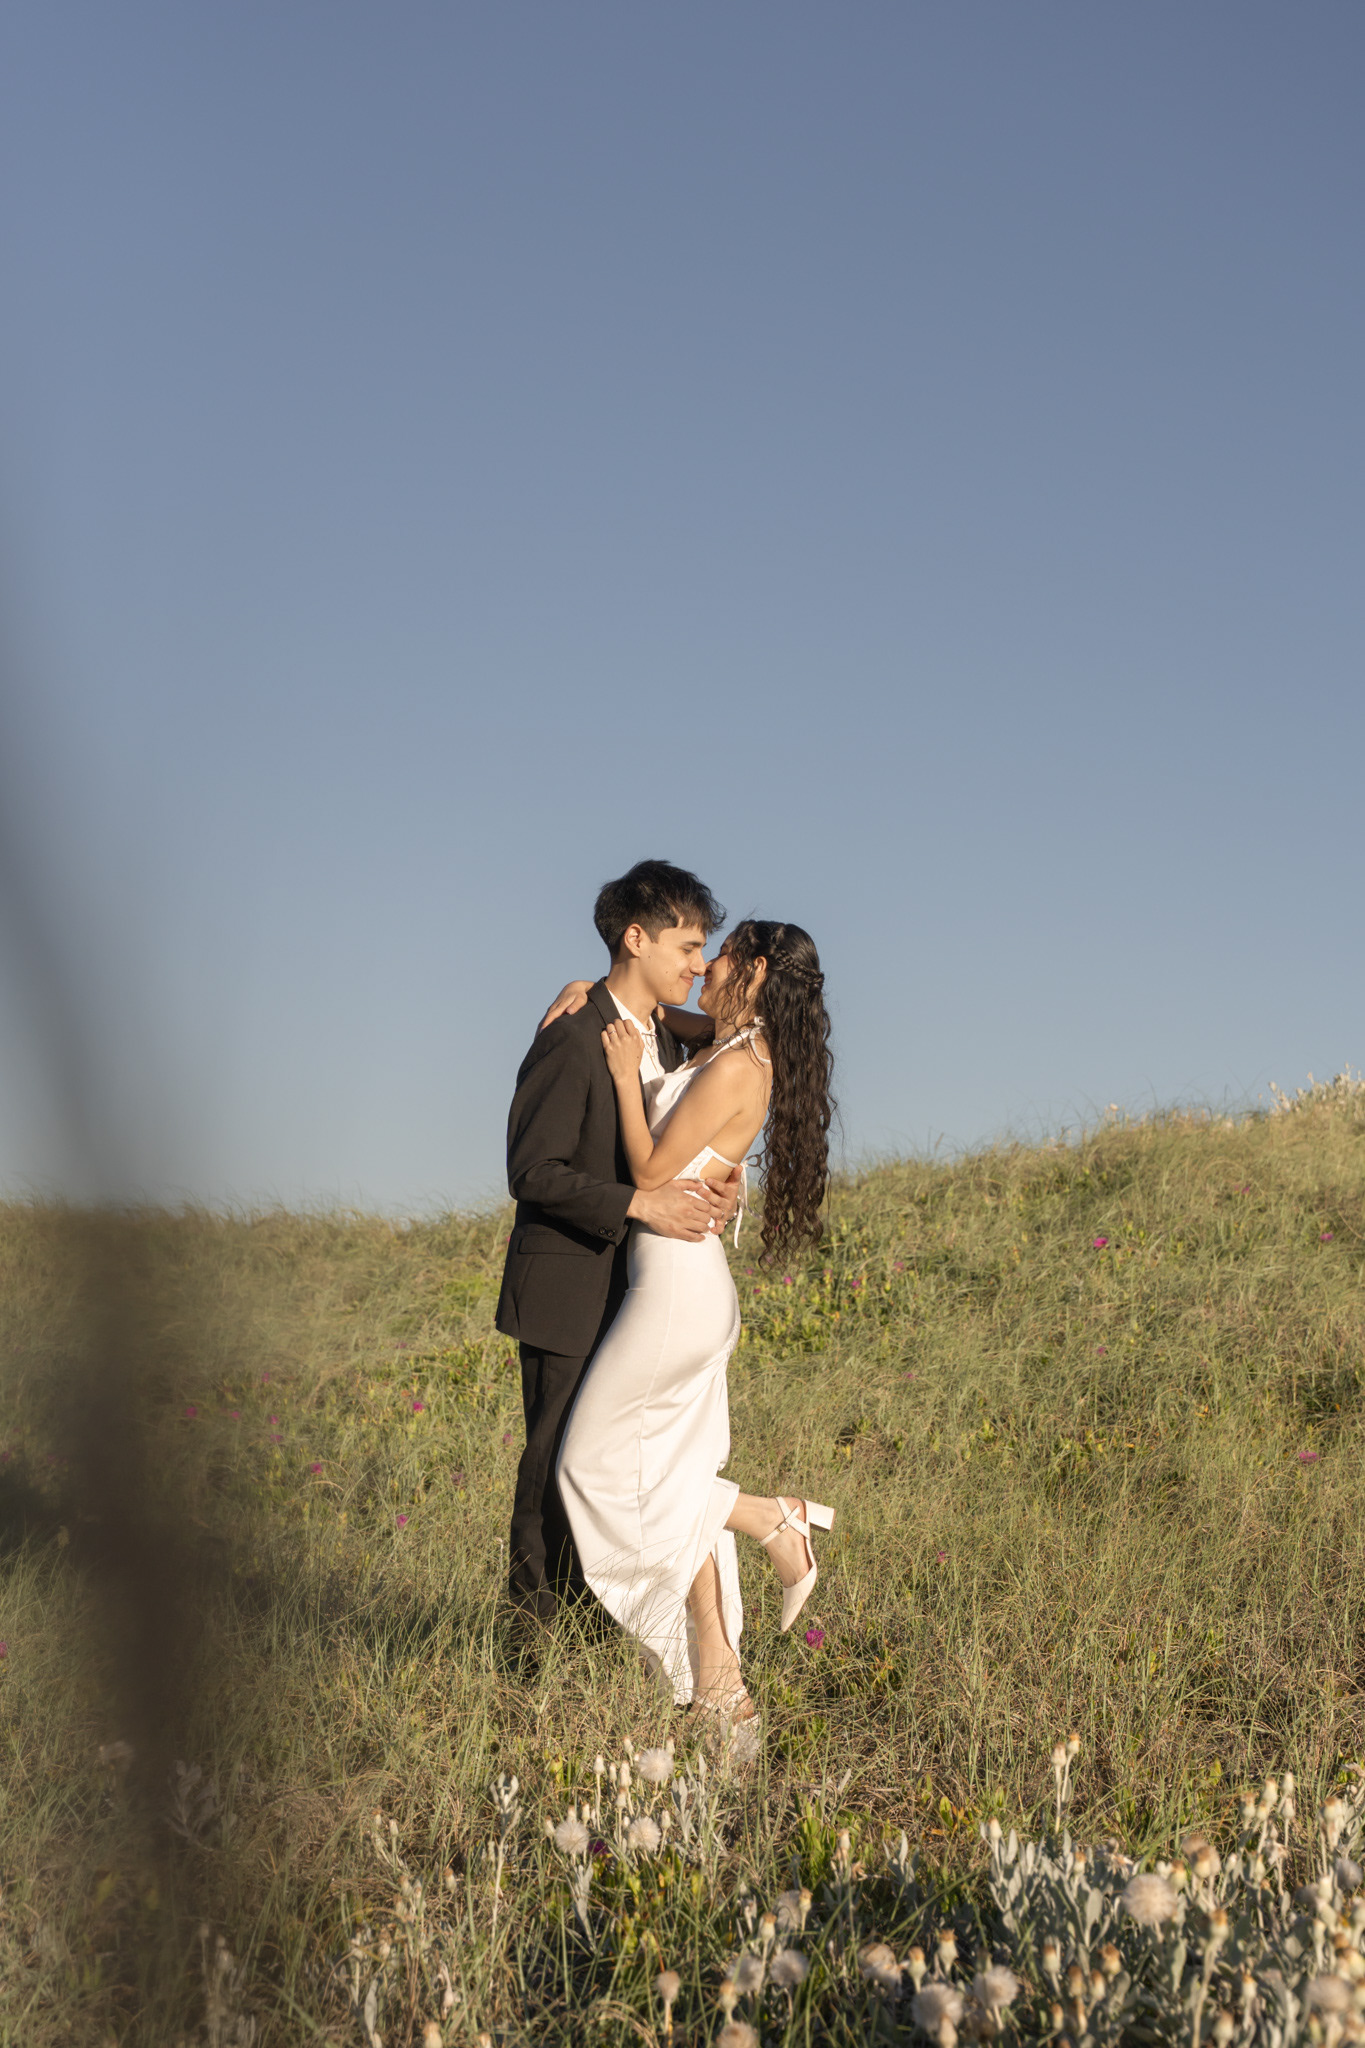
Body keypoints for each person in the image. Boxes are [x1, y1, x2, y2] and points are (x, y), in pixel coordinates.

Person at [548, 918, 836, 1722]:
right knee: (674, 1474)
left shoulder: (738, 1063)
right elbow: (658, 1015)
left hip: (673, 1293)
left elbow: (649, 1167)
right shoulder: (726, 1042)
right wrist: (595, 996)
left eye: (722, 955)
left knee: (592, 1465)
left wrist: (617, 1071)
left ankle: (771, 1518)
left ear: (751, 970)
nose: (703, 965)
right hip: (678, 1287)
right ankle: (719, 1687)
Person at [496, 860, 741, 1624]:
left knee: (628, 1479)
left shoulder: (670, 1035)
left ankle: (603, 1653)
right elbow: (531, 1171)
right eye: (688, 946)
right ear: (635, 938)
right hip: (569, 1290)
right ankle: (527, 1674)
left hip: (643, 1295)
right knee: (551, 1487)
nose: (699, 965)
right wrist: (640, 1203)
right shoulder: (570, 1037)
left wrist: (724, 1188)